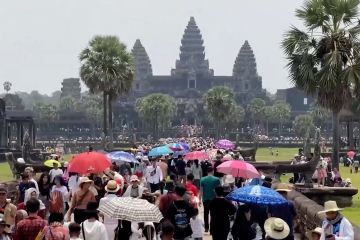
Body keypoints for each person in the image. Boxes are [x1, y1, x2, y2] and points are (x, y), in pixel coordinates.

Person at [199, 167, 220, 232]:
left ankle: (206, 227)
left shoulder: (202, 179)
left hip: (205, 199)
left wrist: (199, 199)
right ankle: (212, 228)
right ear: (212, 171)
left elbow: (201, 191)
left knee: (206, 213)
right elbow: (219, 190)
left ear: (206, 172)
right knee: (213, 214)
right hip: (214, 199)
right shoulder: (217, 179)